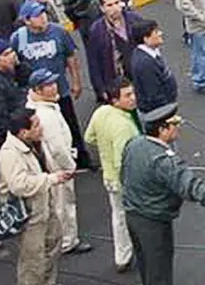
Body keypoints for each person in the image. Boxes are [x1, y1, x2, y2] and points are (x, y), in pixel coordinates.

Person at [122, 103, 205, 285]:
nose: (178, 127)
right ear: (163, 130)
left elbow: (123, 175)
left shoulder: (134, 144)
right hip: (154, 222)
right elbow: (187, 184)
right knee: (160, 271)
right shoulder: (163, 159)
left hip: (133, 215)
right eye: (175, 123)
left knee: (146, 266)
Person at [0, 109, 75, 285]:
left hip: (45, 208)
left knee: (53, 243)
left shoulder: (34, 143)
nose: (41, 128)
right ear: (24, 132)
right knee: (33, 263)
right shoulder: (10, 153)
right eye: (37, 125)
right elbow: (19, 185)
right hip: (29, 218)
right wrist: (51, 179)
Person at [11, 0, 89, 168]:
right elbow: (15, 63)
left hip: (59, 89)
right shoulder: (19, 38)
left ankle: (81, 157)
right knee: (41, 129)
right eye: (37, 15)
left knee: (69, 124)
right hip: (36, 96)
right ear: (27, 20)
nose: (43, 17)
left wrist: (76, 81)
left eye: (43, 13)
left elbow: (70, 57)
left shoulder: (59, 32)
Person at [25, 69, 92, 255]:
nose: (54, 87)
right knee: (63, 203)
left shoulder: (41, 107)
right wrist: (70, 165)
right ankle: (67, 241)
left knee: (58, 203)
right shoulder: (45, 114)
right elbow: (57, 147)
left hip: (51, 166)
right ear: (38, 90)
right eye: (49, 85)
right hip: (58, 166)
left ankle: (62, 240)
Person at [83, 79, 140, 273]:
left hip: (109, 178)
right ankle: (137, 253)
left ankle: (122, 256)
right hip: (124, 180)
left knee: (118, 217)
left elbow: (89, 137)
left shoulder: (100, 113)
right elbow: (122, 161)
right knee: (137, 219)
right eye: (127, 95)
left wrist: (104, 147)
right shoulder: (123, 125)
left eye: (133, 93)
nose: (133, 98)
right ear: (115, 100)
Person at [87, 0, 143, 103]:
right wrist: (100, 89)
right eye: (109, 5)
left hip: (139, 76)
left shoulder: (135, 20)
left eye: (117, 3)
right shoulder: (96, 30)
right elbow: (94, 62)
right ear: (102, 8)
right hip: (116, 80)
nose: (114, 8)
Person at [129, 20, 177, 114]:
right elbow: (154, 96)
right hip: (159, 111)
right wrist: (168, 112)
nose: (160, 33)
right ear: (146, 39)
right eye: (155, 32)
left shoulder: (151, 52)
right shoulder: (145, 64)